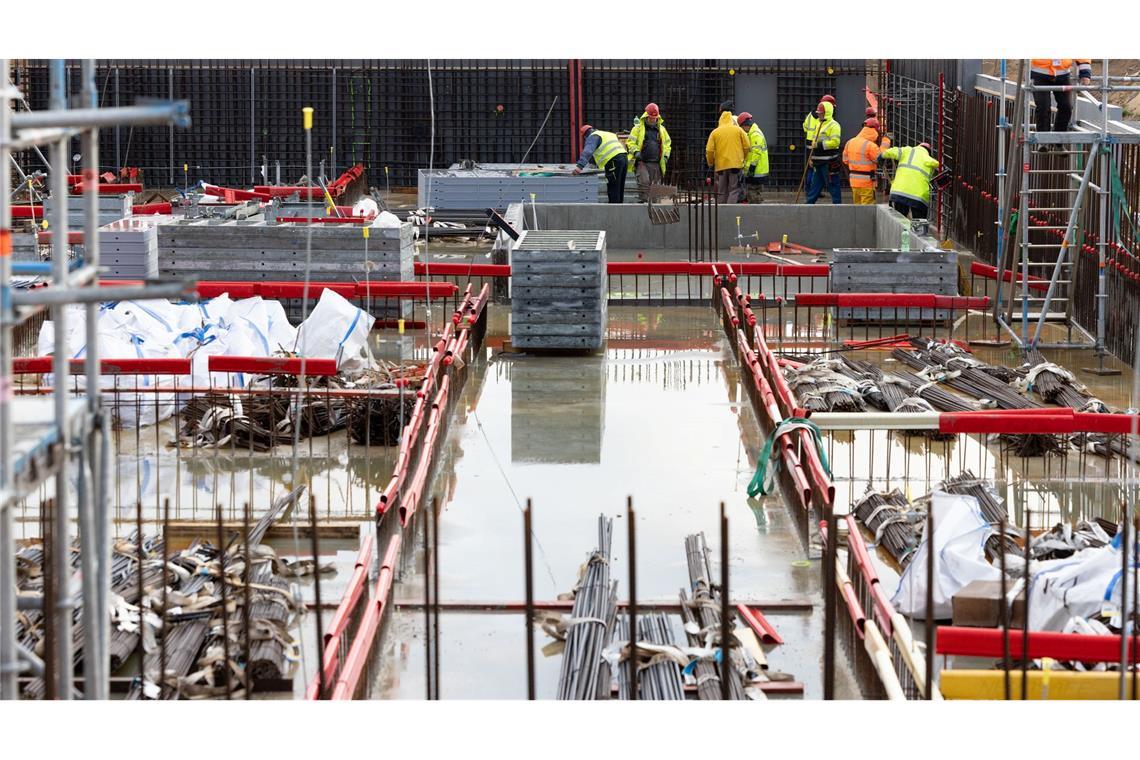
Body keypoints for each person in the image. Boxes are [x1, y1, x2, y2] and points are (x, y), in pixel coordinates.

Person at [1030, 59, 1093, 148]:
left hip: (1062, 75)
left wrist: (1085, 74)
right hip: (1039, 74)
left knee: (1066, 107)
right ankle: (1043, 141)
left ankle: (1058, 142)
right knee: (1043, 106)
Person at [879, 141, 940, 219]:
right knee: (919, 225)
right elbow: (938, 165)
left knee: (900, 221)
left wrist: (881, 156)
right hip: (918, 197)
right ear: (928, 152)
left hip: (899, 193)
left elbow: (891, 151)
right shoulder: (928, 159)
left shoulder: (907, 150)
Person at [706, 102, 750, 203]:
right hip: (735, 165)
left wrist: (711, 162)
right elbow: (747, 146)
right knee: (733, 190)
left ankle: (721, 212)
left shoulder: (715, 132)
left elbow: (709, 150)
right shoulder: (738, 130)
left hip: (721, 166)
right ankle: (730, 212)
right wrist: (743, 158)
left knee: (721, 191)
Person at [626, 102, 671, 199]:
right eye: (651, 118)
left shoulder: (662, 130)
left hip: (656, 163)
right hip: (642, 162)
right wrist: (636, 152)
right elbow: (630, 142)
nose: (652, 120)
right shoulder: (637, 129)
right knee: (644, 183)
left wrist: (666, 156)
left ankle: (653, 206)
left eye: (654, 118)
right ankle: (643, 204)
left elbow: (667, 144)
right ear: (646, 116)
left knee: (655, 187)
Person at [573, 124, 627, 203]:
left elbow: (588, 151)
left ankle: (614, 210)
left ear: (585, 135)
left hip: (613, 161)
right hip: (624, 158)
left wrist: (579, 166)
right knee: (619, 187)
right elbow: (601, 149)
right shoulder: (606, 134)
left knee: (613, 187)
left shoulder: (593, 136)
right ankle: (620, 209)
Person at [804, 100, 842, 204]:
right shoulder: (818, 124)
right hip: (818, 162)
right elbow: (814, 141)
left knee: (833, 185)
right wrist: (812, 158)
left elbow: (835, 142)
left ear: (827, 113)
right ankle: (808, 205)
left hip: (829, 162)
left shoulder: (834, 125)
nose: (819, 115)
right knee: (815, 186)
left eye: (820, 113)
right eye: (818, 113)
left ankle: (837, 206)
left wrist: (819, 145)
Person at [843, 117, 882, 205]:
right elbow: (879, 159)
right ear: (875, 130)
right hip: (867, 182)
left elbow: (845, 160)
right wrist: (884, 145)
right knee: (867, 208)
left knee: (857, 208)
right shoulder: (871, 145)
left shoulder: (850, 142)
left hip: (854, 181)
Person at [738, 112, 769, 203]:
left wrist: (751, 168)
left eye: (742, 127)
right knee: (755, 192)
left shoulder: (755, 134)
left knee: (753, 194)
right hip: (758, 170)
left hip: (757, 171)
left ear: (745, 125)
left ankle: (757, 212)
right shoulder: (753, 133)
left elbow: (756, 153)